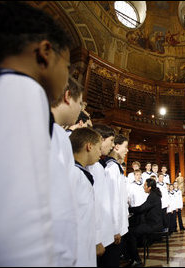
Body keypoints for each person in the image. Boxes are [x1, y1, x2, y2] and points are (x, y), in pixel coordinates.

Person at [0, 2, 71, 266]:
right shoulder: (21, 90)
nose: (67, 77)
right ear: (45, 52)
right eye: (68, 65)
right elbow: (18, 224)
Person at [49, 77, 83, 266]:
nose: (81, 110)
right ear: (68, 97)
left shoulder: (58, 135)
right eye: (80, 103)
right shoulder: (58, 136)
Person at [86, 124, 118, 267]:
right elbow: (96, 203)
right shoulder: (94, 167)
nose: (112, 146)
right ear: (101, 139)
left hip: (105, 231)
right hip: (100, 235)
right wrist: (97, 238)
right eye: (111, 141)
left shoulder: (99, 165)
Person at [70, 127, 103, 266]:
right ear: (89, 146)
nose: (100, 153)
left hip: (85, 244)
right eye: (99, 148)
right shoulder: (73, 174)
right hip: (75, 248)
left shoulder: (80, 172)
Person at [124, 179, 163, 267]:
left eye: (145, 185)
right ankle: (132, 257)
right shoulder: (153, 195)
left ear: (149, 187)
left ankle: (136, 260)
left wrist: (128, 209)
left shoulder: (153, 196)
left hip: (154, 225)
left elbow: (142, 208)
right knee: (132, 229)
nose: (143, 187)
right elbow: (143, 208)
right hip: (152, 223)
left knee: (131, 233)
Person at [103, 135, 129, 258]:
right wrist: (115, 228)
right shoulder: (111, 168)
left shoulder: (116, 167)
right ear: (117, 147)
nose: (127, 150)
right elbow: (112, 201)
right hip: (114, 229)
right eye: (126, 147)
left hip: (119, 226)